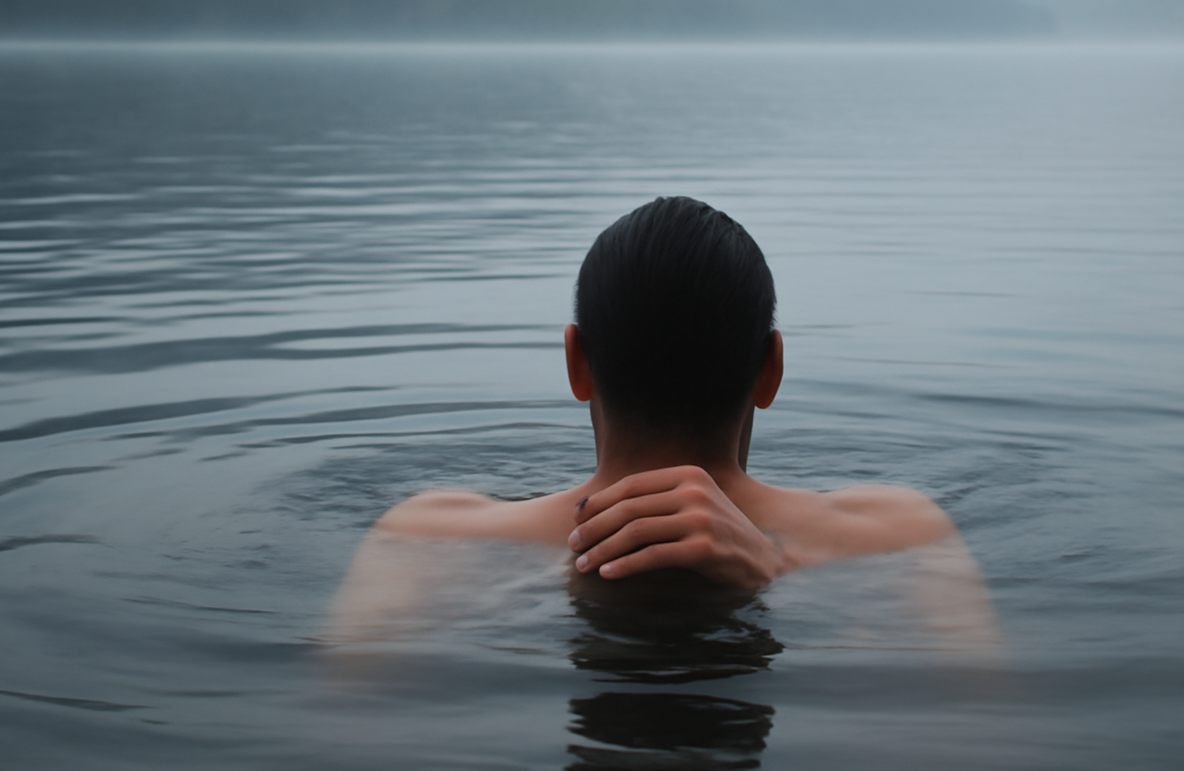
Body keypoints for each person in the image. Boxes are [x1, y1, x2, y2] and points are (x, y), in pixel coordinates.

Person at [332, 197, 994, 641]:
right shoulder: (898, 532)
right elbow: (977, 731)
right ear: (771, 369)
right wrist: (779, 575)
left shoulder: (431, 536)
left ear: (576, 362)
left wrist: (568, 576)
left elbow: (343, 722)